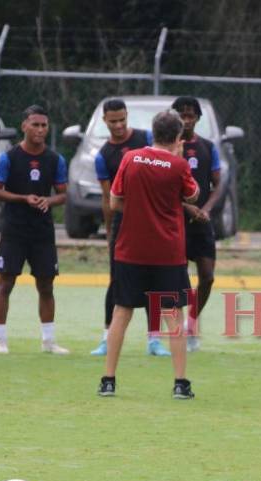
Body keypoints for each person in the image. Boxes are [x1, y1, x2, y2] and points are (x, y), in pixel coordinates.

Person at [97, 110, 199, 398]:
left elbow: (116, 201)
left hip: (130, 249)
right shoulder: (178, 165)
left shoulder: (130, 158)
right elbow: (192, 195)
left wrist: (141, 212)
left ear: (153, 132)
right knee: (173, 314)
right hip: (167, 251)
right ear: (178, 137)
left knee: (122, 311)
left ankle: (108, 379)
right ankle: (181, 383)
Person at [90, 98, 170, 357]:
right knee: (117, 280)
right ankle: (106, 337)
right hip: (124, 223)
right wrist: (110, 230)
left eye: (122, 119)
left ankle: (154, 340)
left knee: (154, 279)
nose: (119, 125)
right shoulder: (104, 155)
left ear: (127, 116)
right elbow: (108, 198)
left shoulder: (146, 139)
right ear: (105, 121)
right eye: (113, 121)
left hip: (151, 221)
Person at [0, 105, 69, 355]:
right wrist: (23, 198)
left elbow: (63, 194)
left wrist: (47, 201)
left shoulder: (55, 159)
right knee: (5, 284)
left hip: (42, 232)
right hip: (14, 230)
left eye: (44, 125)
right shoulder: (9, 158)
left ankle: (49, 341)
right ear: (24, 125)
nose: (40, 129)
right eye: (35, 124)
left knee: (46, 286)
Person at [170, 97, 221, 353]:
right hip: (174, 222)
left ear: (197, 118)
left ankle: (192, 324)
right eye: (181, 115)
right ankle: (167, 332)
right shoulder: (167, 148)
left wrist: (205, 209)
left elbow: (217, 183)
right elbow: (163, 188)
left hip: (200, 223)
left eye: (190, 115)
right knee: (176, 280)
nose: (185, 120)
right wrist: (186, 206)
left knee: (208, 277)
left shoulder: (207, 147)